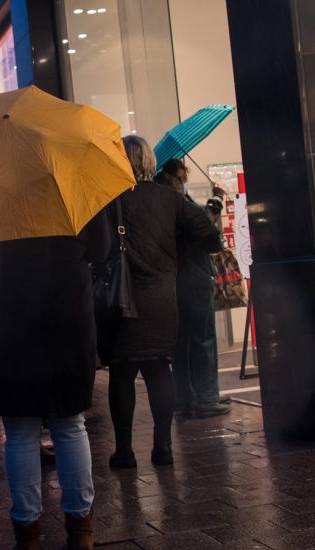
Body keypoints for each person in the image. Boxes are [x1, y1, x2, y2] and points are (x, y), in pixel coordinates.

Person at [0, 211, 108, 550]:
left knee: (20, 429)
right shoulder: (68, 181)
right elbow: (104, 246)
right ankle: (81, 529)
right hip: (68, 311)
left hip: (9, 317)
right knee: (70, 422)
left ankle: (28, 537)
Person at [101, 137, 224, 470]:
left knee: (122, 373)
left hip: (123, 301)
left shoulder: (109, 202)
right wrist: (176, 251)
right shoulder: (170, 200)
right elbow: (211, 238)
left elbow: (94, 250)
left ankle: (124, 451)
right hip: (161, 298)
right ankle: (163, 447)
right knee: (158, 369)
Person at [156, 159, 231, 419]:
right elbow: (210, 236)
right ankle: (207, 398)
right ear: (172, 177)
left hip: (172, 282)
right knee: (203, 339)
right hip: (195, 280)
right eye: (181, 177)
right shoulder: (182, 205)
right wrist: (217, 200)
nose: (184, 181)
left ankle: (185, 397)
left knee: (181, 343)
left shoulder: (158, 207)